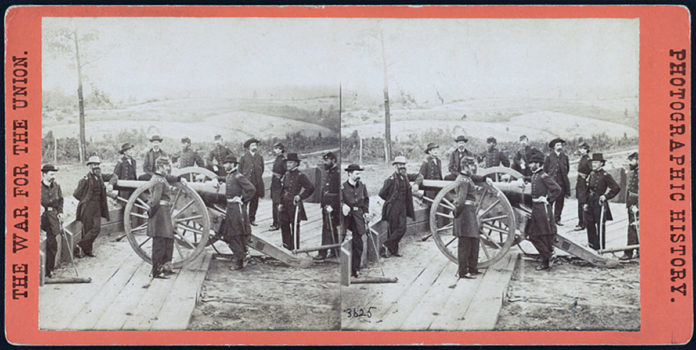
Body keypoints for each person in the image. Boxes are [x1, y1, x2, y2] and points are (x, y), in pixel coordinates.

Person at [378, 156, 423, 257]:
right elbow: (381, 193)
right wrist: (390, 200)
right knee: (393, 228)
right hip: (393, 207)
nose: (402, 167)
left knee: (402, 228)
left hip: (403, 207)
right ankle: (393, 251)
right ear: (395, 166)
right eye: (400, 165)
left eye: (403, 165)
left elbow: (420, 176)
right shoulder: (390, 180)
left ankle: (385, 245)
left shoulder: (406, 176)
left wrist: (416, 184)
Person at [525, 150, 562, 270]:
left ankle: (547, 258)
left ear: (538, 163)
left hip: (542, 209)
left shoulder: (543, 176)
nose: (530, 165)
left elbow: (557, 189)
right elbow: (532, 181)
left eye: (532, 163)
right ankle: (547, 258)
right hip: (536, 209)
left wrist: (548, 199)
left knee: (538, 236)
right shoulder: (535, 175)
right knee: (536, 235)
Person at [146, 156, 182, 279]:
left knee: (168, 239)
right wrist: (151, 213)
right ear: (161, 166)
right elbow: (155, 200)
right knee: (159, 242)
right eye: (167, 166)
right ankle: (156, 271)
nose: (168, 168)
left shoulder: (161, 179)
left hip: (164, 212)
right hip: (159, 213)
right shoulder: (158, 180)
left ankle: (166, 267)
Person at [220, 155, 257, 270]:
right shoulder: (230, 175)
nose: (225, 165)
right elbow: (226, 180)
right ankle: (240, 256)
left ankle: (240, 260)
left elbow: (252, 189)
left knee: (235, 235)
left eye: (227, 163)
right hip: (230, 208)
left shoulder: (238, 176)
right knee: (229, 234)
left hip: (236, 209)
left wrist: (242, 200)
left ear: (232, 164)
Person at [73, 156, 112, 258]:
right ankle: (87, 251)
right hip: (88, 207)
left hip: (98, 206)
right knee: (88, 228)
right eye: (94, 165)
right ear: (89, 166)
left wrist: (111, 184)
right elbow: (76, 194)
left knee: (96, 228)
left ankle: (79, 245)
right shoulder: (85, 179)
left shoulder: (100, 177)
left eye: (98, 165)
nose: (96, 167)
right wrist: (84, 200)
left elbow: (114, 176)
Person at [583, 153, 621, 250]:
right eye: (592, 162)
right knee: (589, 224)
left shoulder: (605, 175)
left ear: (601, 163)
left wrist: (606, 196)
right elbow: (587, 189)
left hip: (599, 203)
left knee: (600, 226)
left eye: (596, 162)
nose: (593, 164)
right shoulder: (591, 174)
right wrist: (585, 203)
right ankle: (592, 246)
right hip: (590, 202)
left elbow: (616, 188)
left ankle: (600, 248)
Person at [278, 153, 315, 250]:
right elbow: (282, 190)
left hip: (294, 205)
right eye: (287, 163)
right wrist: (281, 203)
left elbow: (310, 188)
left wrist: (300, 196)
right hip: (285, 204)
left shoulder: (300, 175)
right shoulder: (286, 174)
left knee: (294, 227)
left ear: (295, 163)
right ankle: (286, 247)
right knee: (284, 225)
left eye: (290, 162)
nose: (288, 165)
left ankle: (295, 248)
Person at [341, 164, 369, 278]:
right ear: (349, 174)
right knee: (341, 238)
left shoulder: (362, 186)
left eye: (360, 173)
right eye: (357, 174)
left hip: (358, 216)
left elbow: (366, 200)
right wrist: (343, 205)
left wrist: (366, 212)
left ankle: (355, 269)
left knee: (358, 243)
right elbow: (339, 199)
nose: (359, 176)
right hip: (346, 217)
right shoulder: (342, 187)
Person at [314, 152, 341, 260]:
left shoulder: (337, 174)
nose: (325, 162)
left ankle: (323, 253)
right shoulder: (330, 172)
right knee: (330, 227)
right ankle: (334, 251)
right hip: (326, 205)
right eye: (324, 160)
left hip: (332, 206)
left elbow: (339, 193)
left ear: (333, 160)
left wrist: (333, 206)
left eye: (327, 160)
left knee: (327, 228)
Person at [41, 164, 64, 278]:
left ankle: (48, 270)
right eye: (51, 174)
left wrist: (60, 212)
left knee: (52, 243)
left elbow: (60, 200)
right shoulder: (37, 187)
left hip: (52, 217)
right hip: (40, 217)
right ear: (44, 174)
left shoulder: (56, 186)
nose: (53, 176)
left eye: (54, 174)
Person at [544, 138, 570, 225]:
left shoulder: (565, 157)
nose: (560, 146)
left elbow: (567, 170)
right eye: (558, 145)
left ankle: (557, 219)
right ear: (554, 147)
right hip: (552, 184)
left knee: (560, 202)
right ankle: (549, 219)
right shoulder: (549, 157)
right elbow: (545, 170)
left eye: (560, 145)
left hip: (561, 184)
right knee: (550, 201)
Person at [239, 138, 264, 226]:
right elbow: (240, 171)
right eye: (253, 145)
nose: (255, 147)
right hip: (247, 184)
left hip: (256, 184)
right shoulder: (243, 157)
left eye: (255, 145)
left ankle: (251, 219)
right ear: (248, 147)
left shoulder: (259, 157)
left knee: (254, 202)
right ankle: (243, 220)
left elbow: (262, 170)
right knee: (245, 202)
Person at [620, 152, 639, 260]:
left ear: (637, 160)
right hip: (632, 203)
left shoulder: (641, 172)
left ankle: (629, 253)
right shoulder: (636, 171)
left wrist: (638, 205)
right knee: (635, 227)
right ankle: (638, 250)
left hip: (635, 205)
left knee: (633, 227)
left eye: (631, 161)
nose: (629, 163)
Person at [574, 142, 592, 231]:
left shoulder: (588, 160)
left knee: (583, 203)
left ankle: (582, 224)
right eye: (580, 148)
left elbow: (592, 171)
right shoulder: (582, 158)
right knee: (580, 203)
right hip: (580, 183)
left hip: (584, 184)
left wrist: (587, 178)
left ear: (586, 149)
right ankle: (581, 222)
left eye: (582, 148)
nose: (580, 150)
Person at [269, 142, 287, 230]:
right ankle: (275, 222)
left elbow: (286, 172)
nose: (275, 150)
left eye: (277, 148)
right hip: (275, 183)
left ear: (281, 149)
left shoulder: (283, 159)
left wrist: (281, 179)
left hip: (279, 184)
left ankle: (277, 224)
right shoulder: (277, 158)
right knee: (274, 202)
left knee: (277, 203)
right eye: (275, 148)